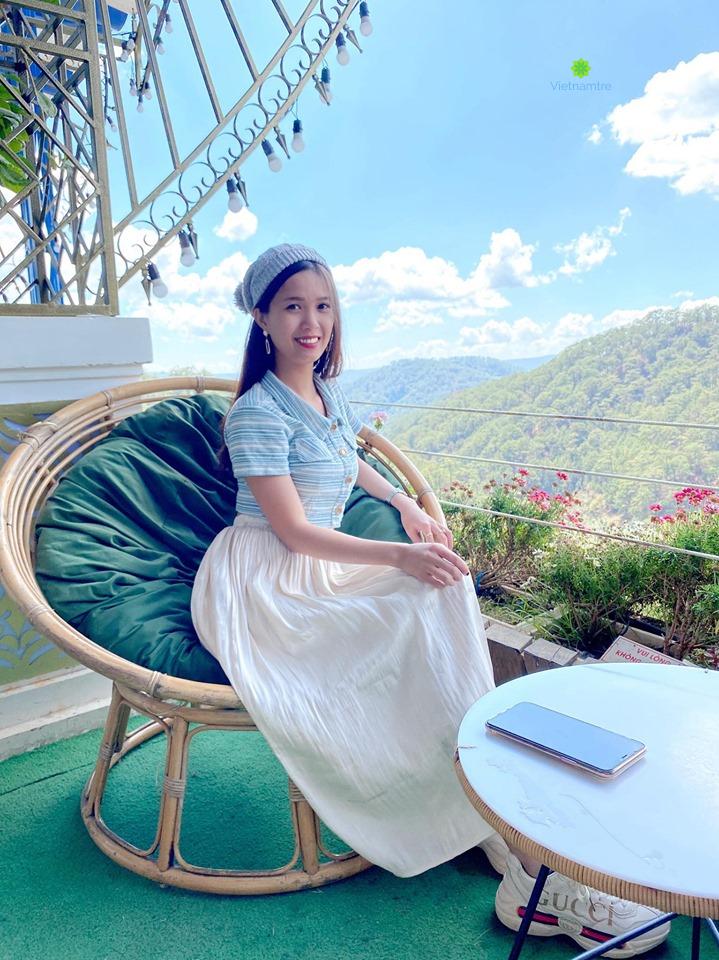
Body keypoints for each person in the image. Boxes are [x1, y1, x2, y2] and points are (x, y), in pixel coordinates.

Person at [190, 243, 670, 954]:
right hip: (266, 581)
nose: (310, 323)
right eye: (291, 307)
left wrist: (404, 502)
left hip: (315, 569)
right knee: (421, 591)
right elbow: (291, 532)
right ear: (261, 317)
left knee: (443, 588)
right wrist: (399, 554)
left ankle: (502, 814)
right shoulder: (256, 413)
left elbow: (347, 457)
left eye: (322, 306)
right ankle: (516, 847)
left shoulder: (324, 393)